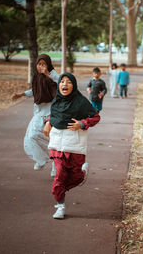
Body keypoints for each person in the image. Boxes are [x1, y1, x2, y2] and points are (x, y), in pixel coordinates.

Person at [43, 73, 100, 219]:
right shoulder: (57, 101)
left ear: (73, 85)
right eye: (62, 81)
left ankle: (82, 174)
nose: (65, 84)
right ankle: (60, 206)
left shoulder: (81, 102)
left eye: (68, 82)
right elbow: (55, 115)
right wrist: (48, 122)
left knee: (76, 177)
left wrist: (82, 124)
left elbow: (95, 117)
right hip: (57, 146)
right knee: (59, 176)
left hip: (75, 146)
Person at [11, 54, 58, 177]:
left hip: (52, 111)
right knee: (32, 136)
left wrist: (48, 73)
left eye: (44, 64)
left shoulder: (53, 75)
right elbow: (34, 90)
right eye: (39, 64)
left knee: (52, 140)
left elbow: (59, 84)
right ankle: (41, 160)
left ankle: (55, 165)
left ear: (48, 65)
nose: (41, 66)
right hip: (39, 111)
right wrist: (21, 94)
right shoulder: (37, 77)